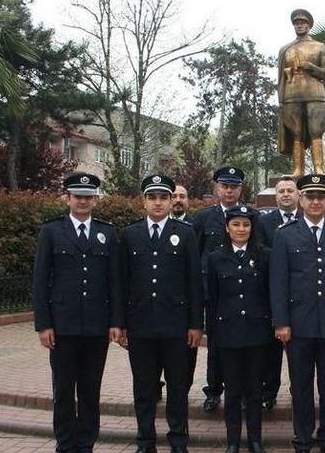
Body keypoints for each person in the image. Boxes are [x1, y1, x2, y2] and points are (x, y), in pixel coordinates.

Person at [270, 174, 325, 453]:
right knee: (300, 386)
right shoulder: (285, 235)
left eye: (321, 196)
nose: (315, 201)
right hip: (298, 326)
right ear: (300, 199)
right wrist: (281, 322)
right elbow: (278, 282)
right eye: (310, 196)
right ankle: (303, 438)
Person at [33, 172, 122, 453]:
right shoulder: (51, 231)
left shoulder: (107, 232)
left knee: (89, 390)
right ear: (67, 198)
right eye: (78, 196)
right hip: (62, 326)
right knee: (62, 391)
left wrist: (116, 322)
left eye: (88, 197)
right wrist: (43, 324)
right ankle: (65, 444)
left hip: (96, 327)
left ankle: (85, 444)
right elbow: (40, 280)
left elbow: (114, 282)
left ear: (95, 200)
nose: (83, 201)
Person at [119, 174, 203, 453]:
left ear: (170, 201)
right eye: (152, 197)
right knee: (144, 389)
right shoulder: (130, 234)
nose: (158, 203)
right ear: (143, 201)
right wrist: (120, 324)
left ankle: (178, 441)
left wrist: (195, 324)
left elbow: (194, 282)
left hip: (176, 327)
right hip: (141, 326)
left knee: (178, 389)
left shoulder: (186, 233)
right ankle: (145, 441)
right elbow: (122, 283)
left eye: (163, 197)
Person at [207, 205, 273, 453]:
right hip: (228, 334)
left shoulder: (265, 255)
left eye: (246, 225)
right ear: (227, 227)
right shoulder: (215, 258)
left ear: (252, 227)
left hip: (257, 333)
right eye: (236, 224)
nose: (241, 229)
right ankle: (233, 441)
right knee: (232, 392)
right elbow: (212, 301)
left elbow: (269, 294)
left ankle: (255, 440)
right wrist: (213, 334)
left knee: (255, 391)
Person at [193, 166, 245, 413]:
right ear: (217, 188)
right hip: (212, 293)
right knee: (215, 344)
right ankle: (213, 390)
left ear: (240, 189)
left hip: (241, 292)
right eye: (225, 186)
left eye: (233, 186)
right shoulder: (204, 218)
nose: (229, 190)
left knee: (242, 344)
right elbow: (195, 255)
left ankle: (242, 391)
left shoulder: (250, 216)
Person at [256, 176, 300, 411]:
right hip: (271, 292)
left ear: (297, 195)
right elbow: (260, 249)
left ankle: (298, 389)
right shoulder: (264, 222)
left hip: (301, 293)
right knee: (272, 349)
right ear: (276, 196)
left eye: (289, 190)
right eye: (281, 191)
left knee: (298, 351)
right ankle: (269, 391)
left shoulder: (306, 219)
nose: (285, 194)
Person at [156, 184, 196, 403]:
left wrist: (195, 322)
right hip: (149, 317)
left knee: (180, 373)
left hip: (178, 314)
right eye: (175, 196)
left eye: (182, 196)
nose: (177, 200)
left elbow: (193, 277)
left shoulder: (191, 229)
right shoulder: (135, 232)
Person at [277, 8, 325, 176]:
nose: (299, 26)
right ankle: (298, 169)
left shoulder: (319, 46)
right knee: (296, 133)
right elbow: (280, 77)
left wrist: (310, 67)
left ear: (309, 25)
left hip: (315, 92)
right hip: (291, 94)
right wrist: (280, 100)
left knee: (316, 131)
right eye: (296, 23)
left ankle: (319, 169)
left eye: (303, 23)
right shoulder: (285, 49)